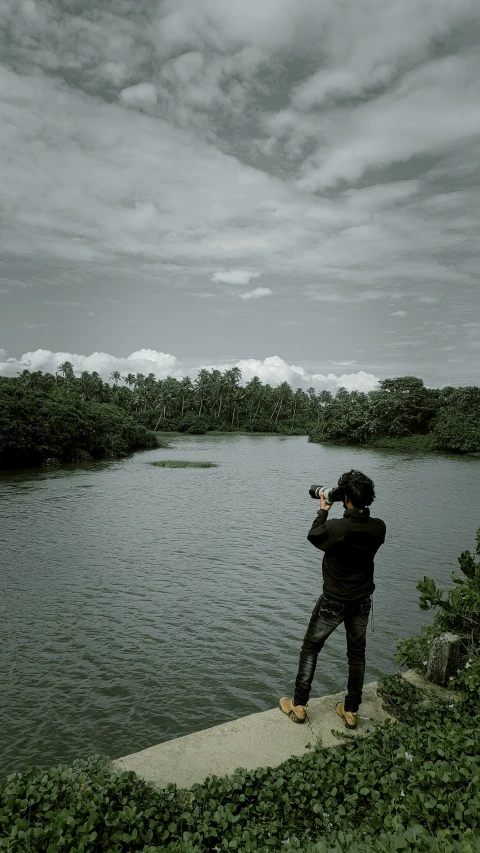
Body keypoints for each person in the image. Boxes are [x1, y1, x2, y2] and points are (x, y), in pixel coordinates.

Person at [280, 469, 386, 730]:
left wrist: (324, 508)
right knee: (357, 655)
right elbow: (357, 527)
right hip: (362, 601)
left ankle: (300, 705)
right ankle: (351, 710)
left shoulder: (336, 527)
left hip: (334, 601)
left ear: (346, 498)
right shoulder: (378, 527)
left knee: (310, 648)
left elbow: (314, 535)